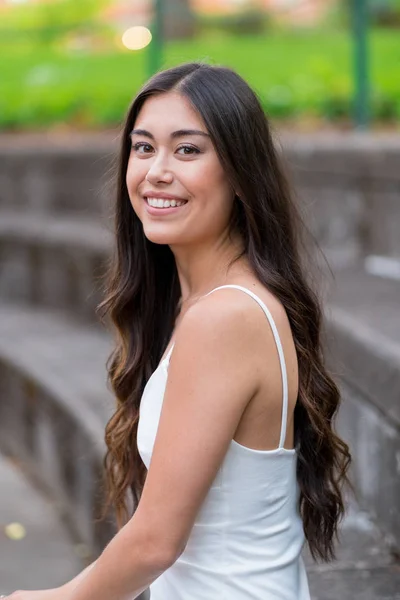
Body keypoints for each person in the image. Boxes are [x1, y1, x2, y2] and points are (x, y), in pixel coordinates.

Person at [5, 61, 351, 600]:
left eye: (188, 150)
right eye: (143, 148)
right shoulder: (207, 303)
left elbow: (155, 543)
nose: (156, 172)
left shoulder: (226, 317)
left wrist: (50, 599)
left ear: (240, 173)